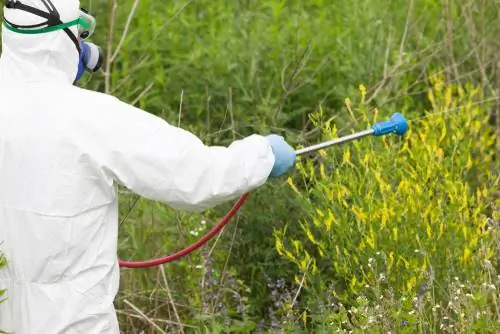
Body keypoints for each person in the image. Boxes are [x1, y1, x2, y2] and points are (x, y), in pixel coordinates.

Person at [0, 0, 296, 333]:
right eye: (80, 37)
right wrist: (262, 155)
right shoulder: (91, 118)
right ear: (63, 40)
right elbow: (195, 175)